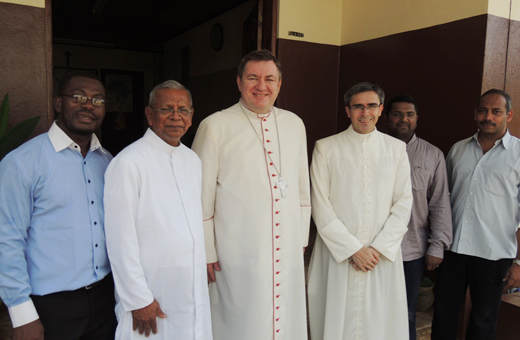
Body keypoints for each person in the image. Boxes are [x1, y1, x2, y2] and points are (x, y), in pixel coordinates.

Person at [191, 49, 311, 340]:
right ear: (239, 82)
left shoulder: (295, 123)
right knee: (241, 320)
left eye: (269, 78)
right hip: (237, 251)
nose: (261, 86)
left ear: (280, 84)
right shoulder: (214, 125)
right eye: (253, 78)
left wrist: (301, 240)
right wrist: (206, 251)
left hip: (287, 248)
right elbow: (200, 196)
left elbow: (302, 189)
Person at [0, 74, 116, 340]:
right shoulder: (22, 162)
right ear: (58, 103)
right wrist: (22, 314)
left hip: (104, 299)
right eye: (78, 97)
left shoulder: (108, 162)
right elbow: (6, 240)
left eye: (97, 100)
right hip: (50, 305)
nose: (88, 105)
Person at [104, 80, 212, 339]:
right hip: (151, 293)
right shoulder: (129, 163)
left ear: (191, 116)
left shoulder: (192, 160)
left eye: (183, 110)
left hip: (191, 288)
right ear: (150, 115)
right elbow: (120, 240)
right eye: (167, 109)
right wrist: (138, 299)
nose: (176, 117)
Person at [307, 82, 413, 340]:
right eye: (358, 106)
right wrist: (353, 249)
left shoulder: (396, 149)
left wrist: (376, 249)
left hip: (381, 257)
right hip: (338, 254)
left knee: (379, 323)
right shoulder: (326, 148)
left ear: (380, 110)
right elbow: (320, 204)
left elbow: (403, 203)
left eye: (371, 106)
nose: (365, 112)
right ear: (347, 110)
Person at [431, 89, 520, 340]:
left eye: (496, 111)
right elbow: (441, 199)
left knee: (484, 320)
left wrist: (519, 263)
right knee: (444, 315)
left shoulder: (519, 154)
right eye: (483, 110)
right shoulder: (458, 150)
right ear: (475, 114)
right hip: (453, 251)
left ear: (509, 115)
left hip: (495, 254)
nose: (488, 117)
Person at [384, 94, 453, 340]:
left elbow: (440, 202)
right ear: (385, 116)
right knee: (371, 310)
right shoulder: (372, 148)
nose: (403, 119)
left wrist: (438, 245)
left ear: (416, 119)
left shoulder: (432, 155)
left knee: (406, 312)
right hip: (371, 249)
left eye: (409, 114)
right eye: (397, 113)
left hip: (410, 250)